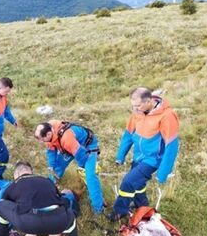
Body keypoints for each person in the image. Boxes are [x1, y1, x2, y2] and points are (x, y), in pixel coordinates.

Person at [107, 88, 179, 221]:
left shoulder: (167, 116)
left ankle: (120, 210)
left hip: (153, 160)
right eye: (133, 106)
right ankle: (142, 205)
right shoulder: (137, 111)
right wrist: (120, 156)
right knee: (138, 184)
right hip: (138, 156)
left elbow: (171, 146)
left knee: (128, 182)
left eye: (138, 106)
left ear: (149, 101)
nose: (135, 109)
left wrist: (163, 172)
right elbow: (128, 134)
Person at [34, 120, 105, 214]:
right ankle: (48, 188)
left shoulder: (66, 139)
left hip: (86, 148)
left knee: (90, 177)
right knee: (56, 169)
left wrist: (83, 172)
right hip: (70, 147)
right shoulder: (49, 129)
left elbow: (82, 157)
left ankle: (98, 209)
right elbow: (51, 150)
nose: (40, 142)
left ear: (48, 134)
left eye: (41, 139)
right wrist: (51, 167)